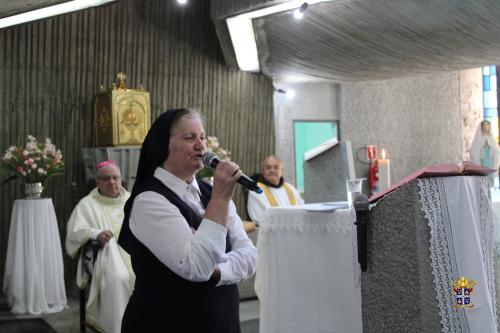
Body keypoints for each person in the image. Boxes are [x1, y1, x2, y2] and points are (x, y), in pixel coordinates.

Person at [118, 108, 257, 332]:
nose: (201, 145)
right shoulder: (150, 201)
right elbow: (197, 266)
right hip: (167, 321)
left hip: (221, 319)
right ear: (164, 145)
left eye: (202, 137)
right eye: (189, 138)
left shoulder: (211, 192)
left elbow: (250, 256)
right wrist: (220, 199)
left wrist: (218, 272)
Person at [65, 160, 135, 333]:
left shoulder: (132, 199)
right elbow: (75, 232)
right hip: (105, 255)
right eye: (106, 179)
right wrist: (95, 234)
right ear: (97, 182)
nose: (111, 182)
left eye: (115, 178)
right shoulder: (87, 204)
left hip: (135, 252)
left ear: (121, 180)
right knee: (119, 278)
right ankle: (118, 328)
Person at [247, 155, 304, 225]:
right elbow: (261, 217)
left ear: (281, 171)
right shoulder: (256, 189)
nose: (272, 170)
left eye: (276, 167)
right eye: (268, 168)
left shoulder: (290, 188)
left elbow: (302, 210)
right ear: (262, 171)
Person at [470, 119, 500, 187]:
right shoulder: (479, 138)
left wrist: (492, 148)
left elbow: (496, 149)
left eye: (487, 125)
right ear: (481, 126)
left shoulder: (491, 137)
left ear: (489, 126)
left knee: (489, 181)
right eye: (484, 125)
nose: (486, 126)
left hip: (490, 162)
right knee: (482, 182)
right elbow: (473, 150)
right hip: (481, 162)